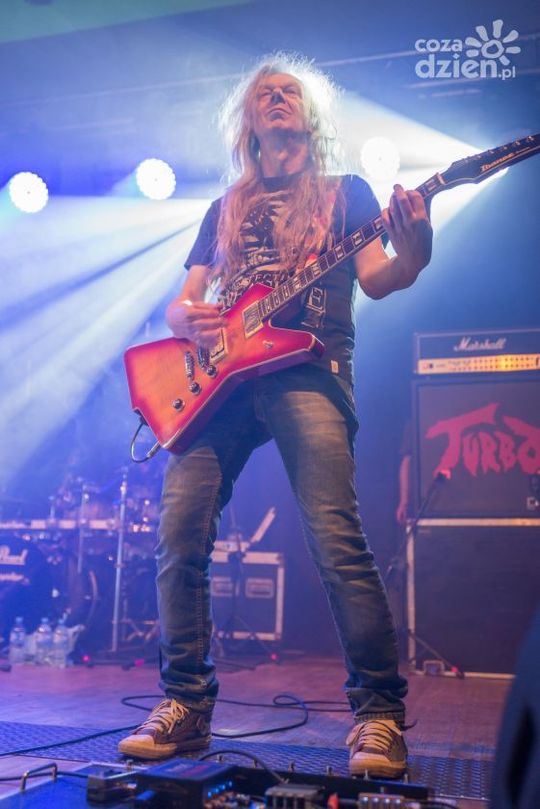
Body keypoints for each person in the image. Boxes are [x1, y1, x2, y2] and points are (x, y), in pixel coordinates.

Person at [119, 54, 433, 778]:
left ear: (309, 116)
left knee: (336, 539)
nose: (278, 97)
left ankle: (379, 715)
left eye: (290, 90)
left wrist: (416, 252)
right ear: (249, 120)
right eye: (265, 92)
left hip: (307, 367)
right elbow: (185, 299)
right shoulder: (225, 206)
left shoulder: (346, 193)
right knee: (178, 537)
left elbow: (380, 277)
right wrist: (185, 319)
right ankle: (185, 705)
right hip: (220, 380)